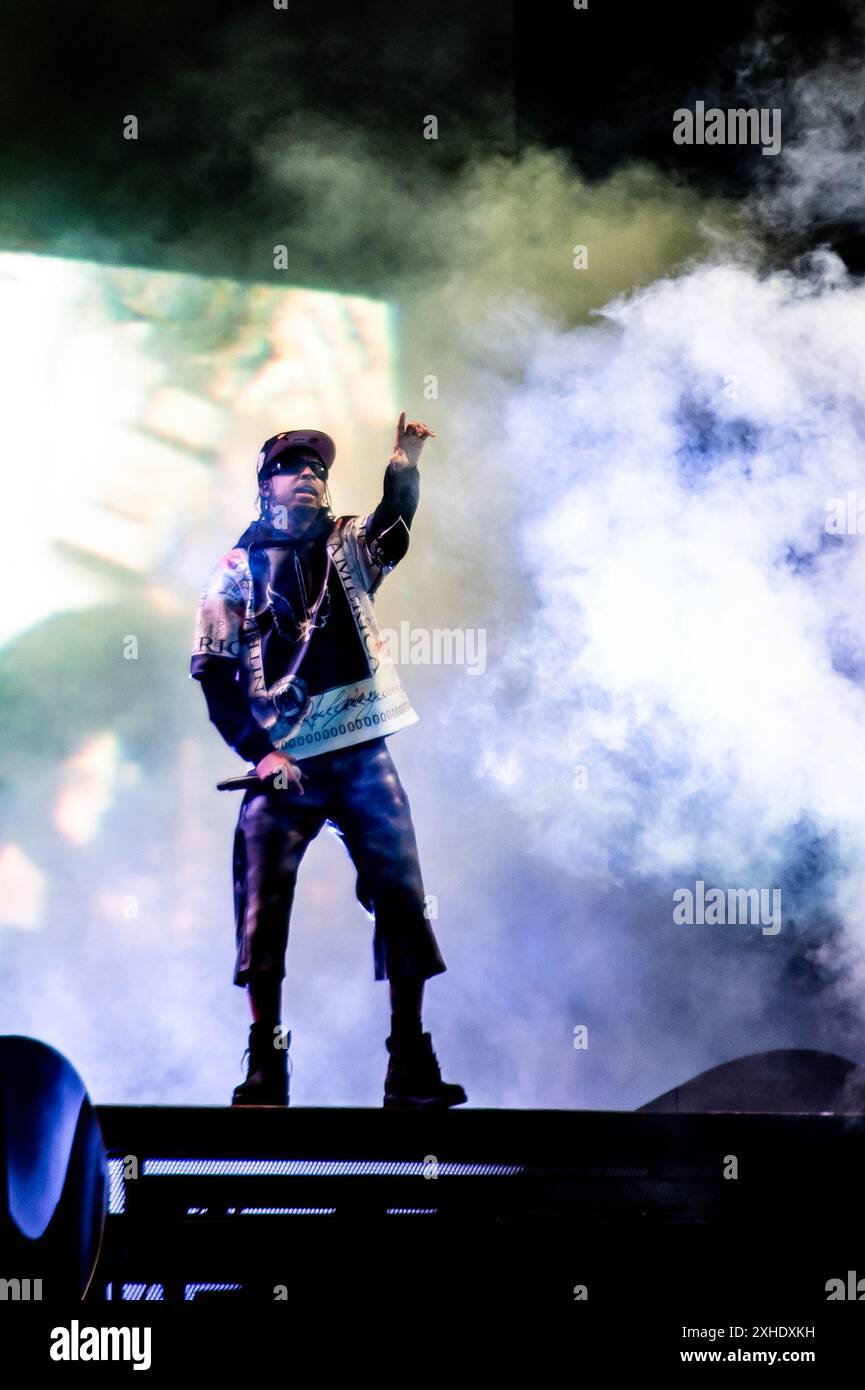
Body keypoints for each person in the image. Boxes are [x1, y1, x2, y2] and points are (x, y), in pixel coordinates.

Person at [190, 414, 467, 1109]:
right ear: (265, 486)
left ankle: (408, 1063)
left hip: (359, 751)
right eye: (293, 467)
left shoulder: (348, 545)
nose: (308, 476)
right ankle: (266, 1065)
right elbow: (213, 676)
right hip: (288, 765)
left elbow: (393, 524)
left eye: (317, 467)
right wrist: (261, 755)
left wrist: (403, 464)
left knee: (401, 894)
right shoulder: (233, 570)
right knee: (261, 901)